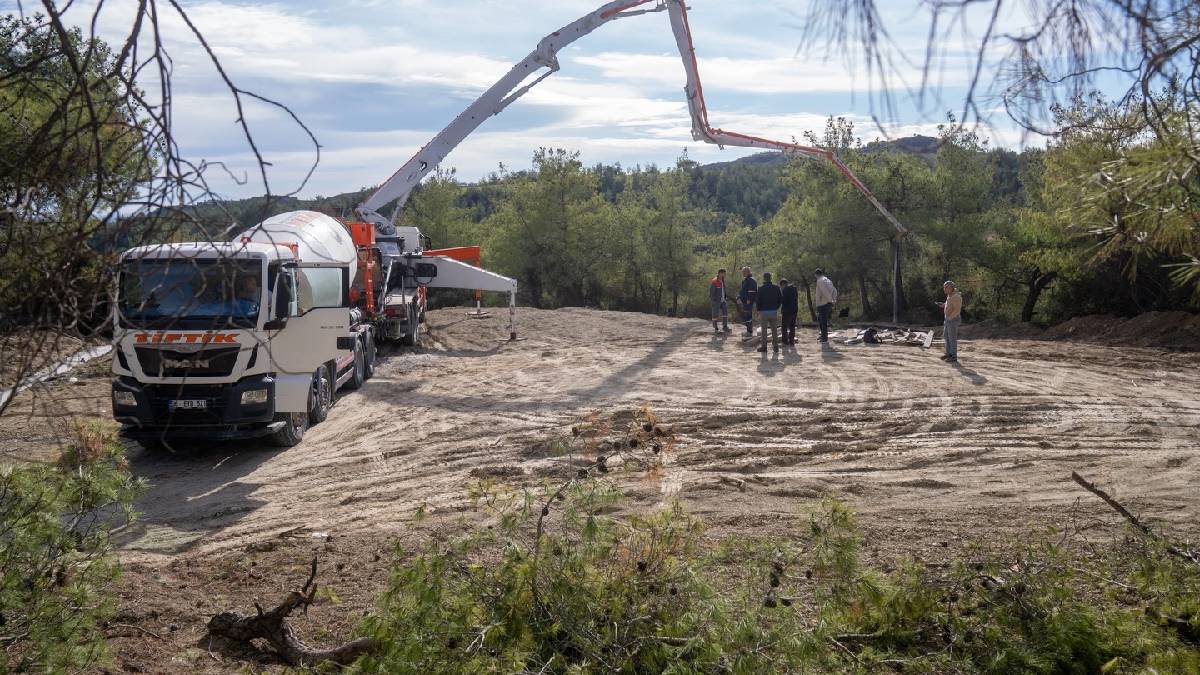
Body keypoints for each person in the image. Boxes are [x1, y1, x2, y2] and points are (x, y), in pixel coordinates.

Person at [755, 272, 782, 352]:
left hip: (764, 312)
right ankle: (776, 347)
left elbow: (758, 300)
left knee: (764, 331)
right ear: (771, 278)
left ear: (764, 278)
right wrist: (776, 308)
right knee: (774, 330)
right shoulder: (776, 288)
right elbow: (780, 299)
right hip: (773, 311)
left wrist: (758, 310)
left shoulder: (760, 288)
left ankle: (764, 347)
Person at [937, 281, 962, 362]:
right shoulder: (950, 295)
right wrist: (944, 305)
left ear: (951, 288)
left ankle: (953, 356)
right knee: (947, 338)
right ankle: (948, 354)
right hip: (948, 319)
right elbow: (950, 305)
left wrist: (950, 318)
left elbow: (957, 310)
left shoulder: (956, 297)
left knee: (952, 339)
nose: (944, 289)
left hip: (952, 320)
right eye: (944, 287)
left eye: (946, 287)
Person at [814, 268, 838, 343]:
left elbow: (825, 292)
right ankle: (823, 335)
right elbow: (834, 290)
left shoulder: (820, 280)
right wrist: (833, 299)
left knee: (823, 321)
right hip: (828, 303)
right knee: (820, 319)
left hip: (823, 303)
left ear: (816, 274)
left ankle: (824, 338)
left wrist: (831, 300)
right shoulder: (828, 280)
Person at [708, 268, 731, 333]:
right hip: (716, 301)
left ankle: (725, 327)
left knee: (725, 313)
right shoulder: (714, 281)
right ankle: (716, 328)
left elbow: (723, 290)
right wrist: (713, 301)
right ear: (720, 273)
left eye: (724, 274)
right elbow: (711, 293)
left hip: (723, 300)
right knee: (715, 315)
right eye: (723, 273)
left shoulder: (723, 280)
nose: (724, 275)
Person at [738, 266, 758, 337]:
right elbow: (743, 291)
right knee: (746, 316)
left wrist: (749, 300)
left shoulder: (751, 280)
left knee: (748, 316)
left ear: (748, 272)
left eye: (744, 272)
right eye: (742, 272)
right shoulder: (745, 280)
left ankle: (749, 332)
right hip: (744, 301)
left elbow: (752, 292)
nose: (742, 273)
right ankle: (748, 330)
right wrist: (739, 297)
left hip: (748, 302)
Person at [779, 278, 799, 345]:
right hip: (794, 310)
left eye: (781, 286)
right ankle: (791, 341)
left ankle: (785, 341)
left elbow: (784, 301)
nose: (781, 288)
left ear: (783, 284)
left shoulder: (785, 290)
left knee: (784, 327)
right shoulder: (794, 288)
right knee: (792, 326)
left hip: (787, 311)